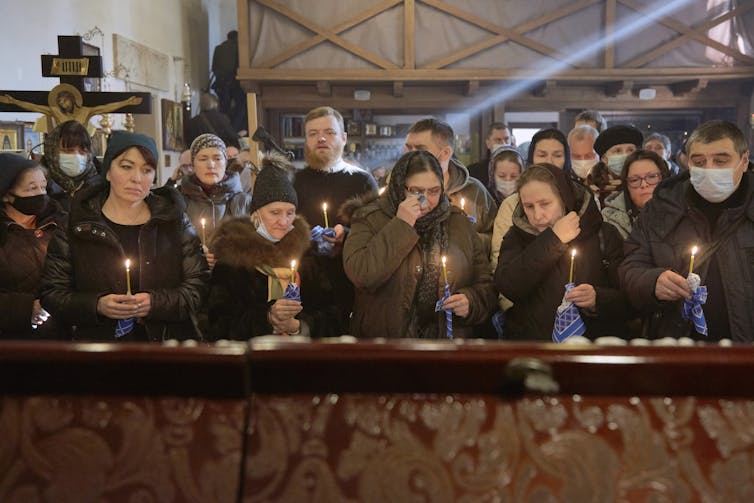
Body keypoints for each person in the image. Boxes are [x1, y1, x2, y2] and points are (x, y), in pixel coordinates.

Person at [40, 131, 210, 341]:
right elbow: (52, 293)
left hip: (166, 347)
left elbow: (198, 286)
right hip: (99, 350)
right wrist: (96, 305)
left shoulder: (174, 221)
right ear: (108, 171)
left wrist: (155, 303)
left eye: (146, 170)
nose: (136, 179)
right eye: (126, 167)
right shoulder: (76, 224)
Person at [620, 120, 753, 341]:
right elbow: (630, 267)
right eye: (699, 161)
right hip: (678, 344)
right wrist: (652, 282)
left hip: (746, 350)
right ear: (687, 162)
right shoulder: (661, 208)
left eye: (721, 161)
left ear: (744, 160)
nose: (709, 169)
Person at [343, 150, 497, 339]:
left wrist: (471, 302)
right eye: (416, 191)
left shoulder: (458, 222)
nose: (425, 200)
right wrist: (401, 225)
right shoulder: (370, 218)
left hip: (445, 344)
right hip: (386, 343)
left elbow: (486, 284)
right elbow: (362, 274)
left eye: (433, 191)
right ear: (400, 187)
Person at [208, 154, 342, 339]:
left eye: (290, 213)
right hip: (252, 362)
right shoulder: (233, 258)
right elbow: (217, 326)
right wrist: (267, 319)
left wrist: (298, 326)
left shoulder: (308, 255)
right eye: (275, 212)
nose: (284, 221)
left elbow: (333, 317)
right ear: (256, 215)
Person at [495, 164, 628, 341]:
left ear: (564, 198)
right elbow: (509, 285)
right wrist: (553, 239)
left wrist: (599, 299)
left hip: (592, 347)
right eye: (529, 206)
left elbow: (628, 299)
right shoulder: (516, 236)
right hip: (533, 346)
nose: (537, 215)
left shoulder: (603, 233)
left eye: (545, 204)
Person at [293, 106, 379, 333]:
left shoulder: (362, 181)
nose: (321, 138)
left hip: (350, 286)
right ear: (306, 140)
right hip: (307, 287)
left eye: (329, 132)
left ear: (343, 138)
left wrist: (346, 236)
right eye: (313, 133)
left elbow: (377, 234)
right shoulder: (294, 182)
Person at [403, 118, 498, 253]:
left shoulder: (474, 191)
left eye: (420, 149)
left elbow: (495, 239)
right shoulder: (396, 190)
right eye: (408, 148)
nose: (410, 155)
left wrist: (466, 239)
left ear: (445, 153)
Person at [0, 154, 64, 339]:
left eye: (43, 187)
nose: (40, 194)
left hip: (63, 338)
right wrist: (27, 308)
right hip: (13, 343)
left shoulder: (60, 222)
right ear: (6, 195)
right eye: (31, 188)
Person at [490, 128, 573, 271]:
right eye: (542, 155)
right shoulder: (511, 204)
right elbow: (500, 263)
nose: (549, 161)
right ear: (531, 158)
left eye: (557, 155)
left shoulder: (578, 198)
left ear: (566, 159)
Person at [178, 133, 253, 268]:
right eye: (203, 159)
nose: (211, 165)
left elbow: (255, 250)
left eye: (217, 158)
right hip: (191, 281)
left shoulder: (245, 202)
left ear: (226, 162)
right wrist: (196, 256)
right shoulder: (179, 201)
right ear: (193, 164)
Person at [0, 83, 141, 127]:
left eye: (64, 100)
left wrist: (127, 102)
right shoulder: (56, 112)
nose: (62, 104)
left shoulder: (86, 111)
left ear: (72, 99)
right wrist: (14, 101)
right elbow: (33, 107)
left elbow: (106, 107)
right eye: (60, 102)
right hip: (61, 149)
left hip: (82, 149)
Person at [601, 150, 671, 239]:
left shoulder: (682, 212)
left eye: (652, 177)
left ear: (664, 179)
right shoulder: (608, 220)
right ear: (626, 186)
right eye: (635, 180)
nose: (644, 184)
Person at [41, 120, 101, 211]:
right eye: (68, 150)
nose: (76, 157)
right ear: (52, 152)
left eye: (82, 152)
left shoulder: (101, 187)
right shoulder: (38, 187)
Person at [588, 125, 643, 206]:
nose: (625, 155)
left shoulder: (647, 185)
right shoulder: (590, 189)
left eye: (630, 150)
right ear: (604, 158)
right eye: (618, 151)